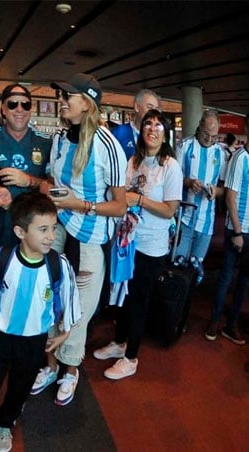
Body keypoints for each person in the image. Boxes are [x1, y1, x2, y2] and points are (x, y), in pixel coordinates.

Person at [0, 191, 80, 452]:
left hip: (35, 341)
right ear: (20, 231)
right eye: (43, 229)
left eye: (54, 228)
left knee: (21, 387)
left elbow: (70, 298)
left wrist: (66, 332)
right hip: (0, 337)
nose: (51, 236)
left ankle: (5, 424)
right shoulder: (2, 259)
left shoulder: (59, 265)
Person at [31, 73, 126, 405]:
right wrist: (53, 195)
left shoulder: (109, 145)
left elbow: (120, 206)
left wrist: (79, 204)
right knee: (50, 302)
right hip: (57, 233)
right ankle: (51, 365)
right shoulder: (59, 138)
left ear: (86, 103)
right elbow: (51, 183)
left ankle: (70, 371)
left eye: (67, 96)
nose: (61, 100)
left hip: (88, 240)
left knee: (78, 313)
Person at [92, 109, 183, 379]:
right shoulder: (133, 161)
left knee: (139, 300)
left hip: (151, 246)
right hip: (127, 241)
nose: (152, 129)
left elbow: (169, 210)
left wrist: (139, 199)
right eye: (148, 124)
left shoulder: (170, 166)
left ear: (165, 133)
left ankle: (131, 357)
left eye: (158, 125)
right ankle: (120, 343)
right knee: (123, 295)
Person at [0, 84, 52, 270]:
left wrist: (29, 181)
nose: (20, 110)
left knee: (31, 294)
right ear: (3, 110)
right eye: (13, 104)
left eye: (26, 105)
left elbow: (53, 185)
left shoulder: (45, 142)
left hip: (34, 239)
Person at [205, 113, 249, 345]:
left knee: (244, 281)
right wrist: (239, 231)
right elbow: (230, 196)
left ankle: (231, 324)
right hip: (238, 228)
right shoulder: (240, 158)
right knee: (226, 277)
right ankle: (214, 320)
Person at [173, 110, 226, 268]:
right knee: (177, 267)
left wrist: (216, 191)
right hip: (184, 219)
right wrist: (188, 182)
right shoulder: (184, 146)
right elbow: (171, 181)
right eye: (206, 134)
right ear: (199, 126)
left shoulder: (220, 153)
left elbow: (224, 188)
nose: (209, 140)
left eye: (214, 136)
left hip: (207, 223)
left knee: (196, 269)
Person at [110, 89, 161, 160]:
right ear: (137, 107)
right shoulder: (118, 133)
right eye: (149, 107)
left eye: (156, 109)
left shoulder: (159, 136)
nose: (153, 112)